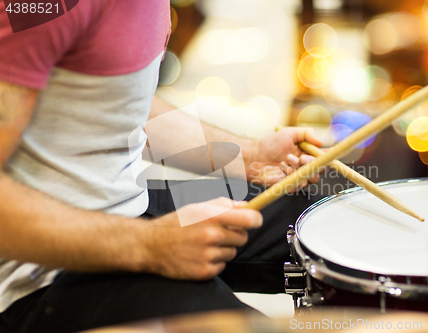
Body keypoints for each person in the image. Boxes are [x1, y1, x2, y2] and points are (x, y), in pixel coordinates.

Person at [0, 0, 324, 332]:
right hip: (37, 274)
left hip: (128, 208)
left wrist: (247, 155)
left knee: (329, 219)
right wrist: (151, 244)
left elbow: (117, 99)